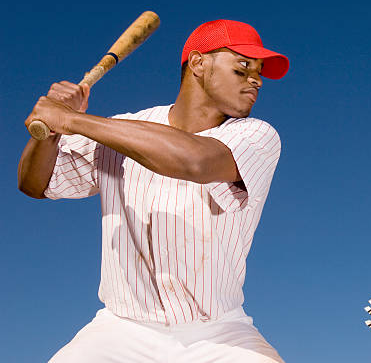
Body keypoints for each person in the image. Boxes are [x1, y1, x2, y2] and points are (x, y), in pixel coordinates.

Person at [18, 19, 290, 363]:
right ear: (198, 63)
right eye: (243, 67)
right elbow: (34, 184)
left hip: (218, 332)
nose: (256, 79)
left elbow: (194, 160)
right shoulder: (123, 130)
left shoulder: (256, 136)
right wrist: (50, 132)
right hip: (121, 329)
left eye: (259, 72)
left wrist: (71, 120)